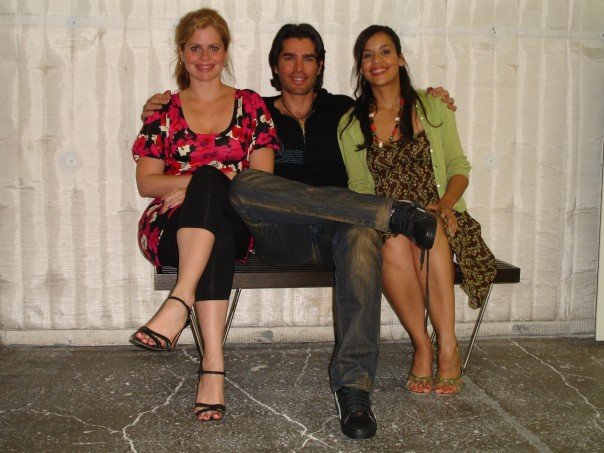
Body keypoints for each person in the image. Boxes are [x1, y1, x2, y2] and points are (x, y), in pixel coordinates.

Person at [141, 24, 454, 440]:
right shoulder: (258, 109)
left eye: (308, 58)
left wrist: (430, 97)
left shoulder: (345, 110)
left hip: (339, 234)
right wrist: (159, 106)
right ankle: (390, 214)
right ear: (275, 65)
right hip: (279, 236)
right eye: (288, 57)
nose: (299, 67)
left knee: (362, 236)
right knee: (246, 184)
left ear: (320, 65)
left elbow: (389, 101)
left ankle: (355, 390)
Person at [129, 8, 280, 422]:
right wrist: (198, 185)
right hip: (169, 227)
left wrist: (205, 181)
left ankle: (180, 302)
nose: (205, 57)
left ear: (226, 51)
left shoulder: (250, 105)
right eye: (195, 48)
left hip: (238, 218)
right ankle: (212, 366)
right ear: (182, 52)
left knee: (217, 204)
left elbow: (261, 181)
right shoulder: (163, 110)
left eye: (213, 47)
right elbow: (147, 183)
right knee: (214, 209)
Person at [338, 25, 497, 396]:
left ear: (400, 59)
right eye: (367, 55)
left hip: (440, 211)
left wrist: (445, 204)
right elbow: (360, 187)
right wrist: (383, 216)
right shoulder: (350, 124)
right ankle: (423, 345)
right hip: (389, 216)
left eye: (385, 51)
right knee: (393, 243)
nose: (377, 61)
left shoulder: (432, 106)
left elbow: (458, 166)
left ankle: (448, 345)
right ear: (360, 66)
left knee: (430, 228)